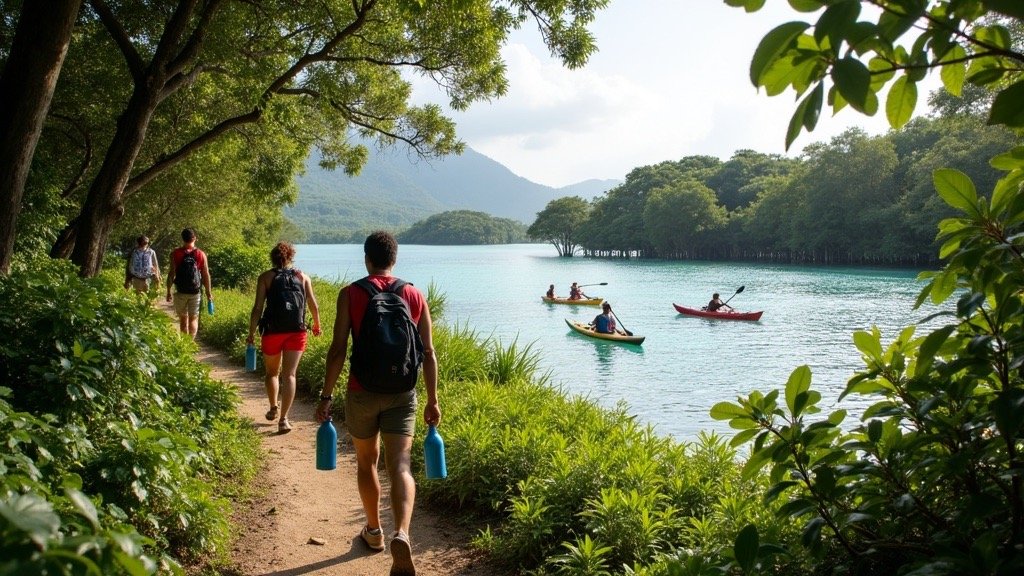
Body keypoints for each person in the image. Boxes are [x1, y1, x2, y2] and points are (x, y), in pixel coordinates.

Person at [316, 230, 439, 576]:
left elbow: (338, 349)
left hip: (362, 391)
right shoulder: (414, 294)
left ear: (367, 259)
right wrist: (432, 400)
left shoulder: (351, 294)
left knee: (366, 461)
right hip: (403, 392)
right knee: (400, 464)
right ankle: (402, 531)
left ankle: (373, 531)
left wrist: (326, 396)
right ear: (394, 259)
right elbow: (428, 353)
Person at [247, 242, 321, 433]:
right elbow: (313, 304)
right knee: (290, 375)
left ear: (272, 258)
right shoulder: (303, 277)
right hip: (297, 331)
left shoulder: (265, 277)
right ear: (290, 257)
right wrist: (316, 325)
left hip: (272, 331)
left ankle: (273, 407)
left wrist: (251, 333)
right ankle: (284, 419)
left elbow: (257, 308)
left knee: (272, 373)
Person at [166, 228, 213, 338]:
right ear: (194, 238)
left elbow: (171, 274)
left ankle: (184, 345)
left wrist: (168, 290)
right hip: (195, 291)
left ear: (182, 239)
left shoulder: (175, 253)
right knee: (193, 318)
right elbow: (206, 275)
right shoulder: (201, 254)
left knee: (183, 319)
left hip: (181, 291)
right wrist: (208, 293)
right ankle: (191, 342)